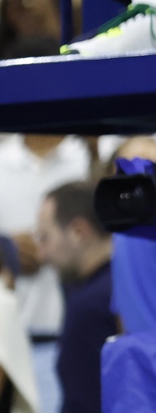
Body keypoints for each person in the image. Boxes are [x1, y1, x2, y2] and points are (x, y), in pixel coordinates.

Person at [0, 133, 89, 413]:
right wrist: (5, 248)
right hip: (10, 345)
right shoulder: (2, 159)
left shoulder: (86, 153)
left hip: (77, 335)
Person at [35, 183, 115, 413]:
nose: (41, 254)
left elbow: (86, 402)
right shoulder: (129, 286)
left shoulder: (88, 307)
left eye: (45, 238)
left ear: (79, 232)